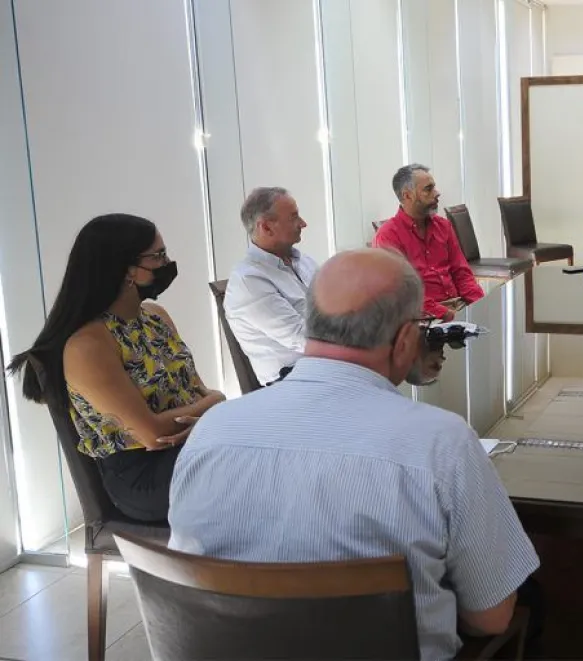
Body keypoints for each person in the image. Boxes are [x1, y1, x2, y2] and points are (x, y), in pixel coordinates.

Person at [168, 248, 539, 660]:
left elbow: (187, 576)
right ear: (404, 341)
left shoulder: (212, 431)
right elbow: (491, 617)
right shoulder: (442, 443)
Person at [6, 215, 224, 522]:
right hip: (143, 476)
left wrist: (207, 407)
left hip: (191, 448)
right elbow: (152, 434)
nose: (167, 263)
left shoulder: (155, 317)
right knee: (252, 470)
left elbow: (197, 391)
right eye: (158, 256)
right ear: (125, 270)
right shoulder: (88, 345)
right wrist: (213, 404)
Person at [224, 187, 319, 385]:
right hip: (292, 382)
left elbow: (339, 304)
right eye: (294, 217)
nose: (303, 223)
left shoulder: (303, 261)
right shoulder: (249, 280)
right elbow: (304, 339)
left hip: (324, 367)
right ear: (266, 228)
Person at [374, 164, 484, 322]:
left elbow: (462, 274)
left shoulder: (443, 226)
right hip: (420, 318)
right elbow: (404, 295)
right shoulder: (388, 236)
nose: (437, 193)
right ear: (407, 196)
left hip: (456, 307)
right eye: (428, 189)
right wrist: (448, 315)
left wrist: (480, 305)